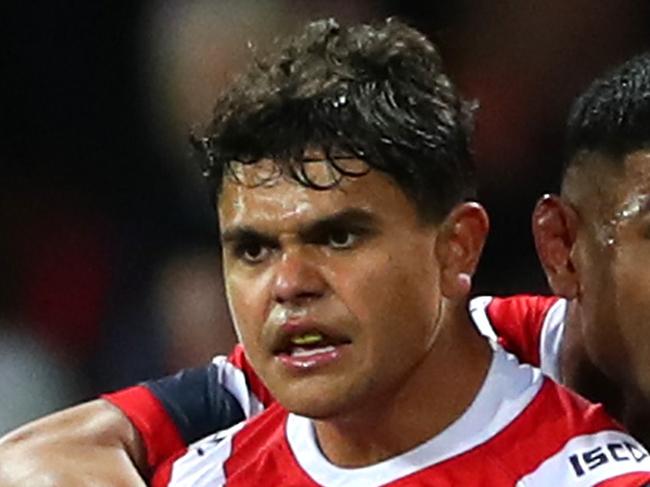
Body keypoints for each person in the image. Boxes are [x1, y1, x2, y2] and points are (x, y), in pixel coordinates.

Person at [3, 19, 650, 486]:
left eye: (338, 237)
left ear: (458, 248)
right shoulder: (203, 468)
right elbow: (33, 457)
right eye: (253, 249)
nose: (289, 284)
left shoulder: (588, 471)